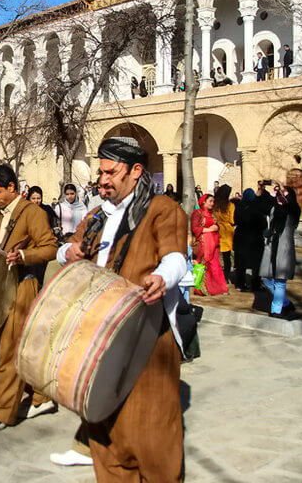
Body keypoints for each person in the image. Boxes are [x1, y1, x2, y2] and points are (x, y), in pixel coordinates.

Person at [55, 137, 188, 481]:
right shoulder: (98, 215)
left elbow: (175, 255)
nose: (103, 180)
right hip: (100, 335)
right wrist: (66, 254)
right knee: (105, 430)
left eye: (111, 172)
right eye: (101, 172)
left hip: (147, 336)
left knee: (152, 432)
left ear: (136, 171)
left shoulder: (161, 209)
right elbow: (68, 247)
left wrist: (162, 276)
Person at [0, 164, 57, 435]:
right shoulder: (1, 216)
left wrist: (23, 257)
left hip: (24, 286)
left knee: (9, 349)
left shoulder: (32, 213)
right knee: (20, 346)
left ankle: (2, 413)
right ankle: (42, 398)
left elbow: (50, 247)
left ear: (11, 187)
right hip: (5, 287)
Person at [259, 186, 300, 318]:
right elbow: (260, 203)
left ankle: (276, 311)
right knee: (265, 278)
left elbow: (291, 207)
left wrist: (284, 196)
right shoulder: (273, 208)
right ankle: (286, 303)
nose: (280, 197)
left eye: (284, 195)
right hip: (271, 248)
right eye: (279, 195)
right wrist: (263, 189)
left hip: (284, 248)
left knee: (280, 281)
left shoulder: (293, 210)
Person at [191, 194, 227, 295]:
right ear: (203, 202)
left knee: (215, 266)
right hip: (203, 244)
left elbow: (217, 225)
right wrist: (209, 229)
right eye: (210, 201)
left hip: (214, 244)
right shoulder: (197, 213)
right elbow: (195, 228)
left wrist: (216, 227)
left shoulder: (213, 214)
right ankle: (200, 288)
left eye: (213, 201)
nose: (212, 203)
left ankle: (218, 288)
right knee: (202, 265)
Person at [233, 188, 266, 292]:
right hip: (255, 239)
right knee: (256, 264)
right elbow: (263, 224)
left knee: (241, 263)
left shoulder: (239, 207)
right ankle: (256, 284)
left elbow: (236, 220)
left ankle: (240, 284)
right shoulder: (257, 208)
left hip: (241, 237)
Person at [214, 184, 235, 283]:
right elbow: (232, 220)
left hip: (217, 230)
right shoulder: (230, 205)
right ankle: (225, 278)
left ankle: (216, 276)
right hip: (227, 231)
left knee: (216, 256)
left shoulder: (215, 204)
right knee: (227, 258)